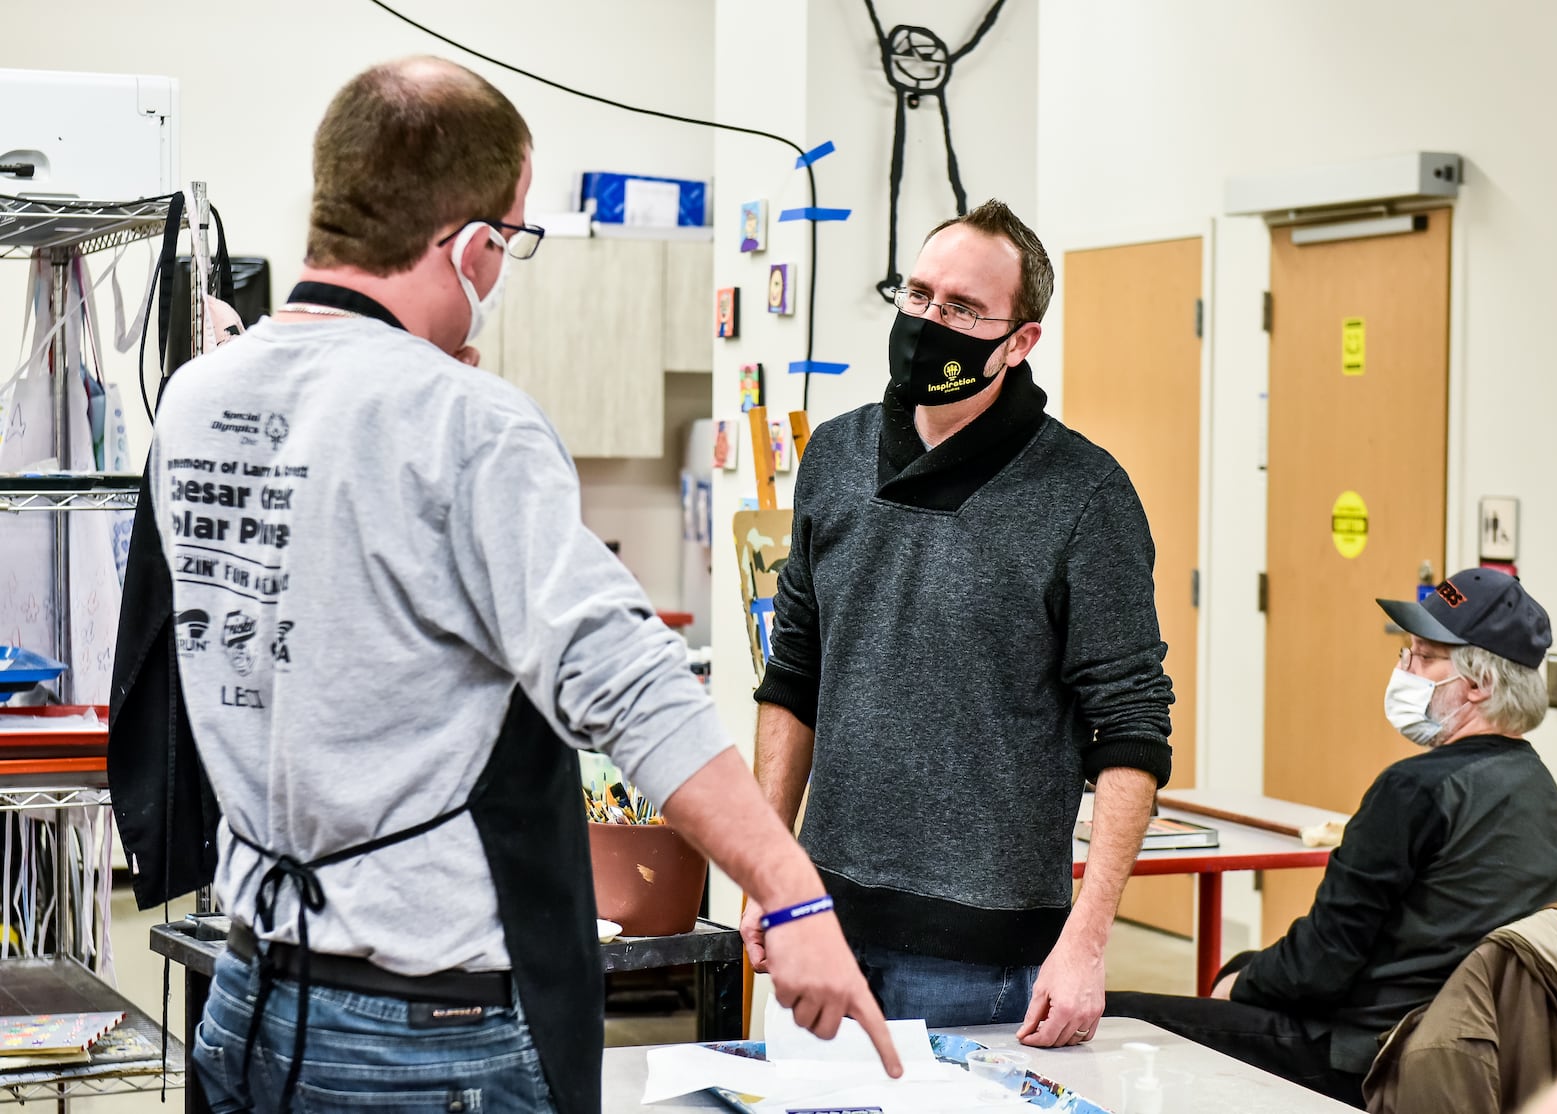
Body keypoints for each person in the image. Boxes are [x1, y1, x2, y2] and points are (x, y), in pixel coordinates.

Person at [126, 56, 900, 1114]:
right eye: (514, 238)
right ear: (473, 245)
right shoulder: (463, 420)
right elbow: (629, 685)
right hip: (428, 1038)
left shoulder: (196, 399)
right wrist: (795, 899)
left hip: (249, 1003)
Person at [742, 199, 1176, 1049]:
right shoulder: (833, 453)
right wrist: (769, 869)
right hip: (819, 925)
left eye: (964, 309)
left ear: (1020, 342)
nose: (931, 321)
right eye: (919, 295)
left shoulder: (1085, 495)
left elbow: (1130, 726)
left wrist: (1086, 943)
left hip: (984, 960)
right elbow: (794, 674)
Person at [1105, 567, 1557, 1107]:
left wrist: (1240, 984)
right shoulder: (1536, 784)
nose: (1404, 669)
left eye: (1423, 657)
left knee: (1115, 1021)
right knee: (1244, 967)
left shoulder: (1416, 789)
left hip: (1371, 1054)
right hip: (1475, 1045)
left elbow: (1320, 967)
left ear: (1478, 684)